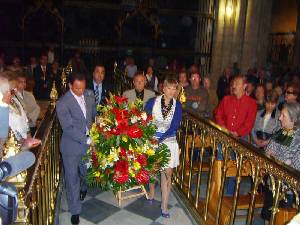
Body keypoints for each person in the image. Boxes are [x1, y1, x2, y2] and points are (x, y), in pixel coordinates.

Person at [56, 73, 96, 225]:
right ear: (70, 86)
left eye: (83, 87)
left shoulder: (89, 95)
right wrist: (87, 140)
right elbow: (68, 128)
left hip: (88, 144)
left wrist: (96, 132)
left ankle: (84, 186)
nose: (81, 91)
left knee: (87, 172)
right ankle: (75, 211)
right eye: (77, 88)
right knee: (72, 179)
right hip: (71, 147)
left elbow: (92, 116)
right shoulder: (63, 103)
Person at [145, 77, 182, 218]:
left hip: (169, 140)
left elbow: (175, 125)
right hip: (152, 139)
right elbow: (144, 117)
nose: (172, 91)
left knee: (167, 174)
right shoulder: (152, 101)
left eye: (174, 89)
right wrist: (149, 135)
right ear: (163, 88)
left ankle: (164, 205)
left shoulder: (177, 105)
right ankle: (152, 192)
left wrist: (161, 139)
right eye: (169, 88)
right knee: (153, 169)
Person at [261, 102, 300, 223]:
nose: (279, 118)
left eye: (283, 115)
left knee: (281, 219)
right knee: (268, 216)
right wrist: (277, 157)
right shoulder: (279, 131)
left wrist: (277, 157)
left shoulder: (298, 137)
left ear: (293, 118)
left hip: (286, 188)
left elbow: (295, 164)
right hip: (272, 181)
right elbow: (268, 151)